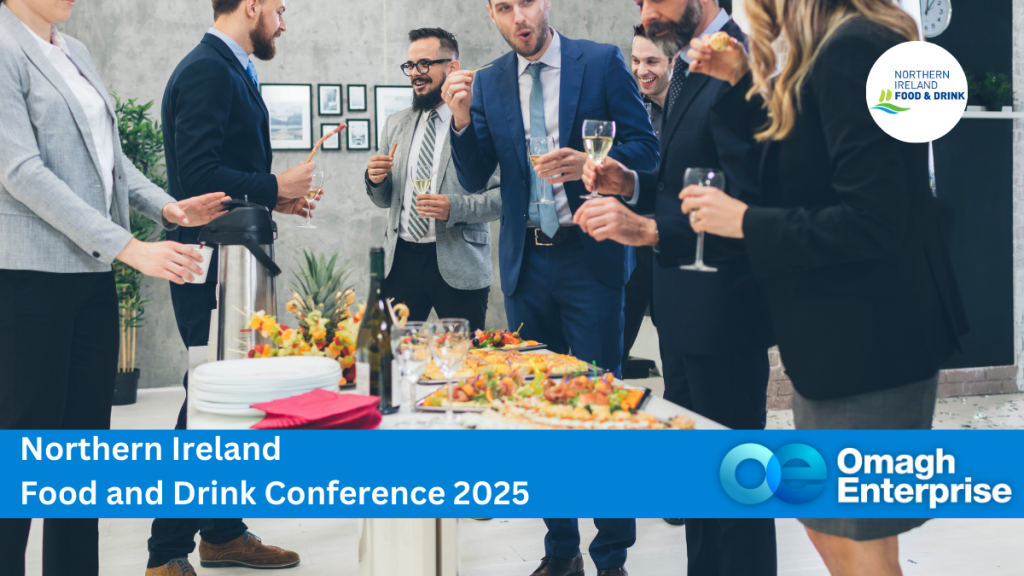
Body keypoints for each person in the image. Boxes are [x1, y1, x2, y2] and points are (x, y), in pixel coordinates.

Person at [680, 1, 968, 575]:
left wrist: (743, 222)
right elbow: (800, 162)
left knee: (852, 538)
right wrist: (741, 81)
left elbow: (873, 219)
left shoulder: (854, 49)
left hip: (869, 342)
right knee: (835, 527)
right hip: (841, 339)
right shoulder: (832, 51)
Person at [0, 0, 228, 573]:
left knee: (81, 460)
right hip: (28, 280)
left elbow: (111, 165)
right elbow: (21, 171)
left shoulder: (73, 51)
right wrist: (131, 247)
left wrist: (170, 209)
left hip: (91, 279)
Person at [442, 2, 659, 575]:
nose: (518, 17)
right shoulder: (487, 83)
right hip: (526, 269)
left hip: (591, 264)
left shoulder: (602, 62)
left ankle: (611, 556)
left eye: (526, 2)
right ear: (492, 14)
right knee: (536, 416)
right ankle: (561, 549)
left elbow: (646, 148)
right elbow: (472, 174)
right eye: (503, 7)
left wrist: (595, 161)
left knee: (603, 415)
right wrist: (461, 120)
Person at [575, 1, 777, 574]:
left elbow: (747, 200)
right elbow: (689, 174)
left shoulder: (739, 58)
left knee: (735, 490)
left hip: (726, 312)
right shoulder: (694, 62)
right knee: (700, 489)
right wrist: (632, 181)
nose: (645, 12)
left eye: (653, 0)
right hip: (685, 311)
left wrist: (647, 228)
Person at [148, 0, 312, 573]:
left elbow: (221, 171)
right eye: (280, 9)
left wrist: (277, 199)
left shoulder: (229, 68)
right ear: (252, 5)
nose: (284, 22)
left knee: (234, 404)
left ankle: (221, 533)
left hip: (236, 260)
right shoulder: (206, 70)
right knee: (206, 408)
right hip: (213, 265)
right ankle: (164, 554)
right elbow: (195, 178)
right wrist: (273, 182)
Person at [366, 27, 501, 331]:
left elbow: (502, 198)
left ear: (452, 67)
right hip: (400, 263)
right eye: (411, 66)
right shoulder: (395, 124)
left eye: (424, 64)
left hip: (460, 262)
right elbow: (384, 199)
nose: (415, 73)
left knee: (464, 362)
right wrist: (375, 180)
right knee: (388, 358)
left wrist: (455, 208)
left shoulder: (483, 124)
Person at [620, 23, 671, 380]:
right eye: (636, 60)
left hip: (674, 245)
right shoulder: (628, 110)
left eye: (651, 61)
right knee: (612, 350)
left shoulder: (693, 111)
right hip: (629, 249)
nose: (641, 70)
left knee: (676, 354)